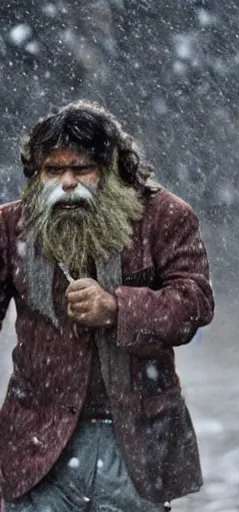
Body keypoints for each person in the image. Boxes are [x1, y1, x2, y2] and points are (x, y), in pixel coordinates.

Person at [0, 100, 215, 511]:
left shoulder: (164, 217)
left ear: (112, 168)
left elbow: (195, 303)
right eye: (52, 170)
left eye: (81, 169)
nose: (66, 183)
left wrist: (118, 308)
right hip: (37, 444)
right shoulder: (11, 228)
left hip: (136, 440)